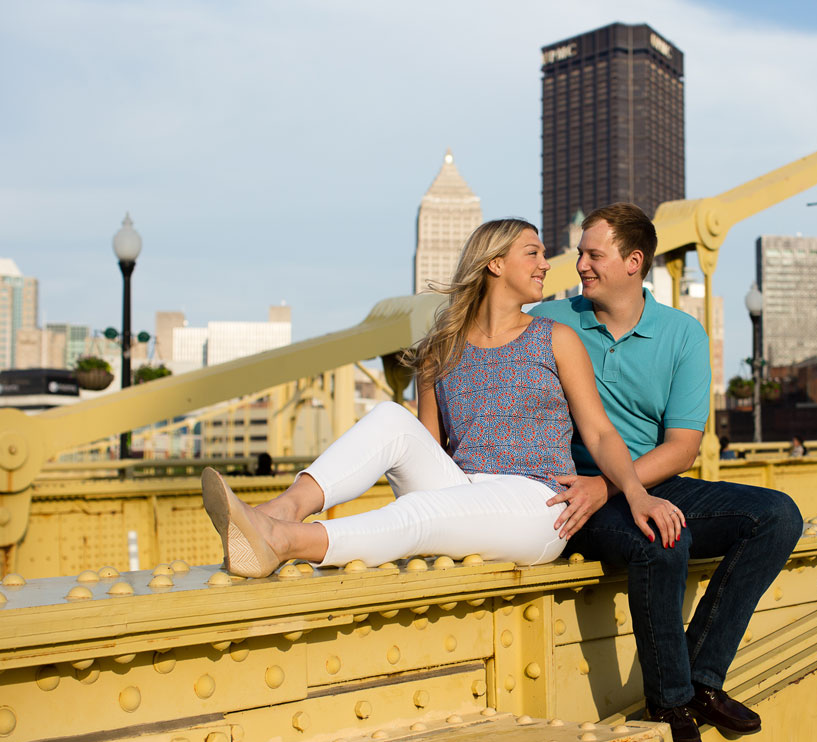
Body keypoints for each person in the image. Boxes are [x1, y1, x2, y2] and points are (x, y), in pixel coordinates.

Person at [201, 219, 684, 579]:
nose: (546, 264)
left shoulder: (555, 339)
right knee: (391, 418)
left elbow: (599, 433)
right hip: (461, 487)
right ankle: (282, 511)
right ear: (496, 263)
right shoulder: (439, 348)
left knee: (422, 517)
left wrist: (636, 494)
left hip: (536, 505)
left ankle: (284, 542)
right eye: (533, 253)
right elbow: (422, 444)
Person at [530, 203, 803, 742]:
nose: (578, 264)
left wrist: (621, 487)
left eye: (592, 254)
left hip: (634, 484)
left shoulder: (682, 335)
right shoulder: (551, 323)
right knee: (662, 539)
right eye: (580, 253)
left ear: (634, 262)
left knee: (777, 517)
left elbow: (682, 448)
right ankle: (672, 700)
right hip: (574, 492)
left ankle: (703, 678)